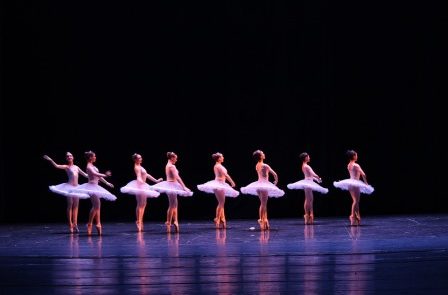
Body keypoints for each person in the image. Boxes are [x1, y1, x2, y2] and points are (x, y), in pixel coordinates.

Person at [43, 153, 90, 233]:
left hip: (77, 188)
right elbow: (57, 166)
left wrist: (94, 177)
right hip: (69, 188)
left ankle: (75, 224)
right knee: (70, 205)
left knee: (76, 206)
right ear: (66, 158)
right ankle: (70, 225)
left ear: (73, 157)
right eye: (67, 156)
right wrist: (51, 160)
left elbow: (85, 175)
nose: (69, 157)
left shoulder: (76, 167)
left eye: (70, 155)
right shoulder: (66, 166)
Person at [73, 151, 116, 235]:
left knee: (97, 206)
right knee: (96, 206)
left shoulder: (93, 165)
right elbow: (95, 173)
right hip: (91, 187)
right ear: (90, 158)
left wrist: (106, 183)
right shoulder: (89, 166)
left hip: (96, 187)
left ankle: (97, 223)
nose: (95, 157)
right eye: (94, 156)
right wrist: (105, 175)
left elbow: (98, 176)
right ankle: (90, 223)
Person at [240, 150, 284, 230]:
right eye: (262, 154)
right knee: (263, 204)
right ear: (260, 156)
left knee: (263, 204)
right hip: (264, 185)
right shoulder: (265, 165)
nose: (264, 154)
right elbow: (275, 174)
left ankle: (265, 220)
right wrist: (276, 182)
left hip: (258, 186)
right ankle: (260, 219)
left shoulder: (257, 165)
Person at [120, 153, 163, 232]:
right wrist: (142, 183)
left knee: (143, 204)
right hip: (140, 186)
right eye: (139, 158)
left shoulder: (140, 166)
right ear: (135, 159)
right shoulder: (137, 167)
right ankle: (139, 221)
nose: (141, 159)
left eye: (141, 157)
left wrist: (156, 180)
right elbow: (139, 177)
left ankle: (140, 220)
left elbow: (147, 175)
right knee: (141, 204)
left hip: (142, 185)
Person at [152, 152, 193, 232]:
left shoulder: (167, 165)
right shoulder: (172, 166)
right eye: (176, 158)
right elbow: (177, 177)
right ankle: (168, 222)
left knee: (174, 204)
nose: (176, 160)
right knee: (172, 205)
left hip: (170, 185)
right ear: (171, 158)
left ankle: (175, 221)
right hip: (171, 185)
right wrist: (184, 187)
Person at [197, 152, 239, 229]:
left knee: (222, 203)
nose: (223, 158)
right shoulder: (218, 166)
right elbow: (226, 175)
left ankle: (222, 219)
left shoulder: (219, 165)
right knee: (221, 203)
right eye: (222, 156)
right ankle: (217, 218)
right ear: (219, 158)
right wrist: (232, 182)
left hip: (221, 184)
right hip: (218, 184)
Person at [333, 150, 374, 226]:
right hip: (355, 183)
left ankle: (357, 216)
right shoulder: (356, 165)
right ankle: (352, 216)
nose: (357, 156)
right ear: (353, 156)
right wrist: (366, 183)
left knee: (355, 201)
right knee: (356, 201)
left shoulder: (349, 165)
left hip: (350, 183)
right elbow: (363, 174)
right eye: (356, 155)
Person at [287, 152, 329, 225]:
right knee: (308, 199)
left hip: (309, 182)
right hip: (308, 182)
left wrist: (317, 179)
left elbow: (311, 176)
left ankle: (310, 215)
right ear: (305, 158)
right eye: (308, 156)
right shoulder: (306, 166)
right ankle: (307, 215)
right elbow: (313, 174)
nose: (309, 157)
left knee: (310, 199)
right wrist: (318, 177)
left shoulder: (304, 165)